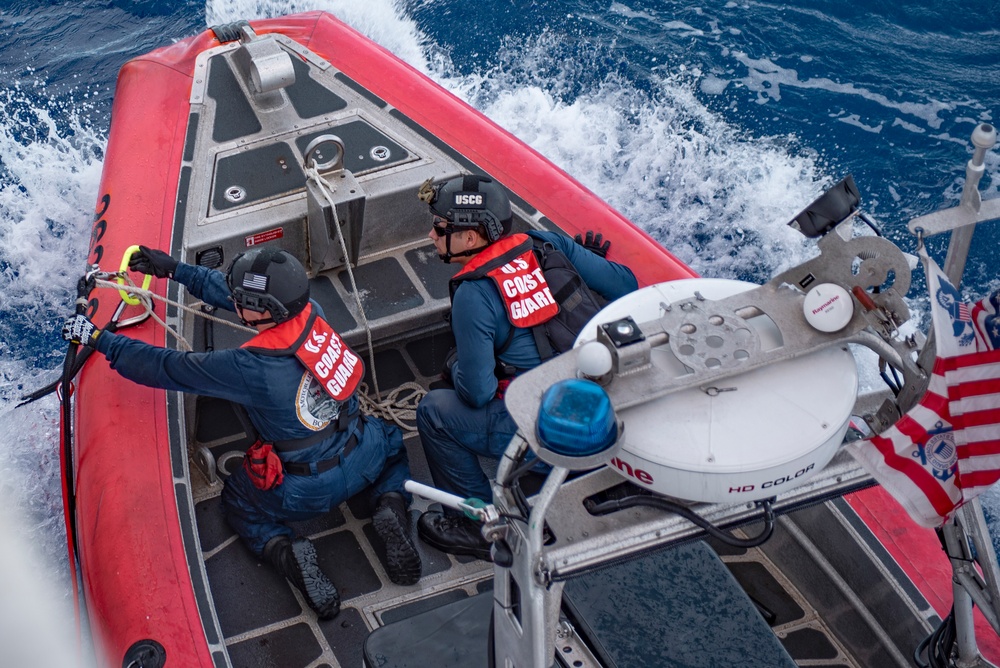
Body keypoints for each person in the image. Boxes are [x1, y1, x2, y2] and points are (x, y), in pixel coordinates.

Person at [61, 245, 421, 620]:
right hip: (362, 452)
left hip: (306, 491)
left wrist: (100, 339)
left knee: (240, 501)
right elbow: (238, 296)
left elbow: (167, 366)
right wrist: (175, 270)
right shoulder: (315, 314)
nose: (233, 299)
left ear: (263, 310)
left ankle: (287, 552)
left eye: (242, 299)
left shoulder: (247, 366)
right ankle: (391, 505)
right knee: (392, 444)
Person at [415, 174, 638, 560]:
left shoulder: (474, 293)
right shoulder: (547, 243)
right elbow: (626, 286)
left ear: (471, 238)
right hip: (604, 411)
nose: (431, 235)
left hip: (551, 433)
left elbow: (478, 392)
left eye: (439, 227)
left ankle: (479, 526)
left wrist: (455, 370)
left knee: (435, 410)